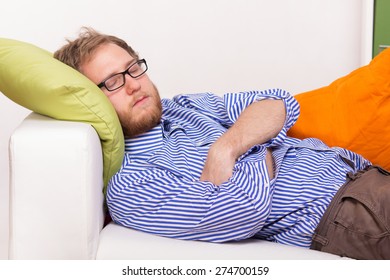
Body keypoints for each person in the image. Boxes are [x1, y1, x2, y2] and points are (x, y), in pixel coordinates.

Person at [54, 27, 390, 259]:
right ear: (90, 101)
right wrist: (260, 141)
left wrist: (228, 147)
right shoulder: (131, 184)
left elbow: (278, 103)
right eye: (112, 81)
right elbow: (243, 208)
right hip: (347, 212)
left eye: (133, 69)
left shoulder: (186, 106)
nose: (133, 85)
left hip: (367, 173)